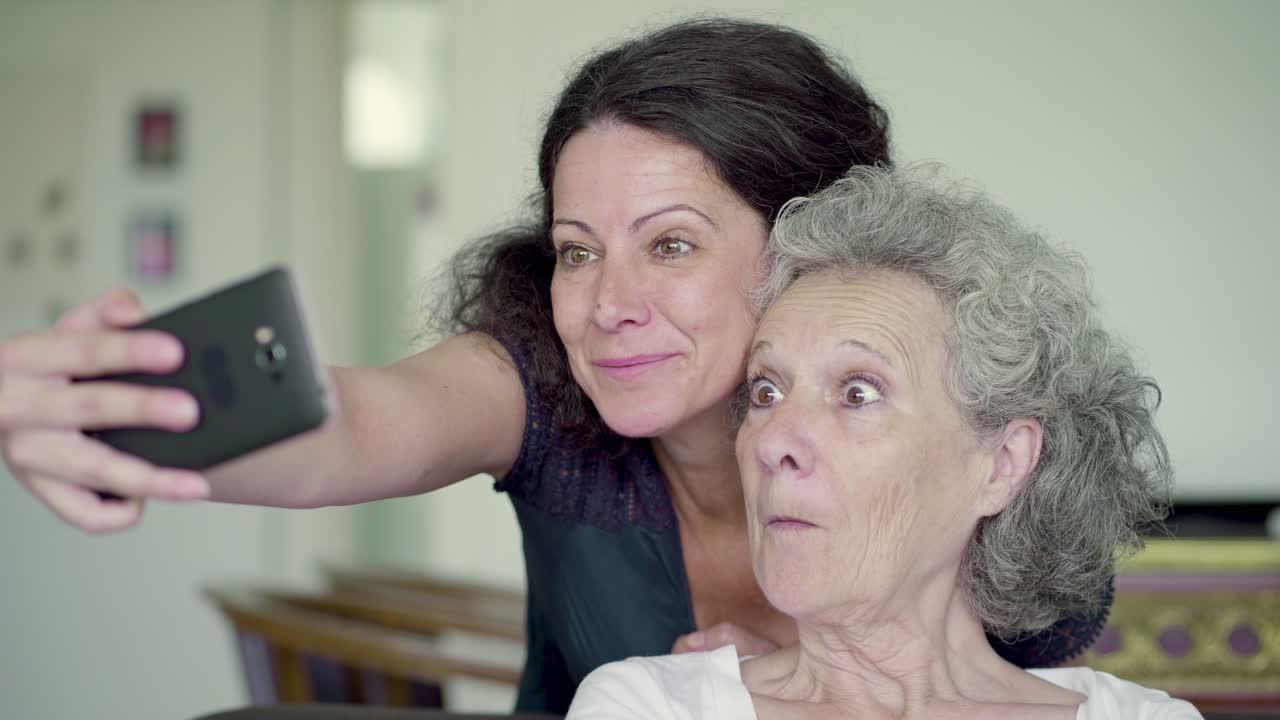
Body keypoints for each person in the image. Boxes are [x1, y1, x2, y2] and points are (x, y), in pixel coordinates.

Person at [0, 19, 1108, 715]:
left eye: (669, 244)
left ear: (812, 246)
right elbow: (355, 423)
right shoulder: (547, 386)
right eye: (576, 250)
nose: (606, 305)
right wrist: (108, 410)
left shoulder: (972, 485)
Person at [566, 165, 1200, 719]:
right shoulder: (646, 705)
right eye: (765, 392)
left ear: (1001, 464)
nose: (774, 440)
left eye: (858, 393)